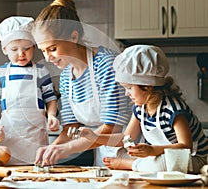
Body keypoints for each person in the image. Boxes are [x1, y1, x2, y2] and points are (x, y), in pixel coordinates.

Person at [32, 0, 131, 166]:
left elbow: (112, 127)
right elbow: (70, 128)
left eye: (53, 49)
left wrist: (67, 149)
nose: (48, 58)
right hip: (103, 157)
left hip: (132, 151)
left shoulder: (106, 64)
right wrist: (51, 149)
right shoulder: (65, 77)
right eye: (43, 51)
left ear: (73, 37)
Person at [78, 45, 208, 174]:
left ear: (147, 86)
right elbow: (126, 139)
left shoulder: (173, 109)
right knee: (127, 153)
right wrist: (95, 137)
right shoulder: (141, 108)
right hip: (165, 156)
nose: (126, 93)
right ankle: (136, 163)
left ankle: (130, 164)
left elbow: (186, 147)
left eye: (129, 87)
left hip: (194, 158)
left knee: (161, 163)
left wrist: (152, 151)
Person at [0, 16, 60, 165]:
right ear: (4, 49)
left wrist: (52, 116)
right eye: (14, 49)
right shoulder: (1, 73)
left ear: (33, 47)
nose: (21, 54)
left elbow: (50, 99)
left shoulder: (41, 71)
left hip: (35, 137)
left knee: (36, 170)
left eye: (27, 48)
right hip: (9, 135)